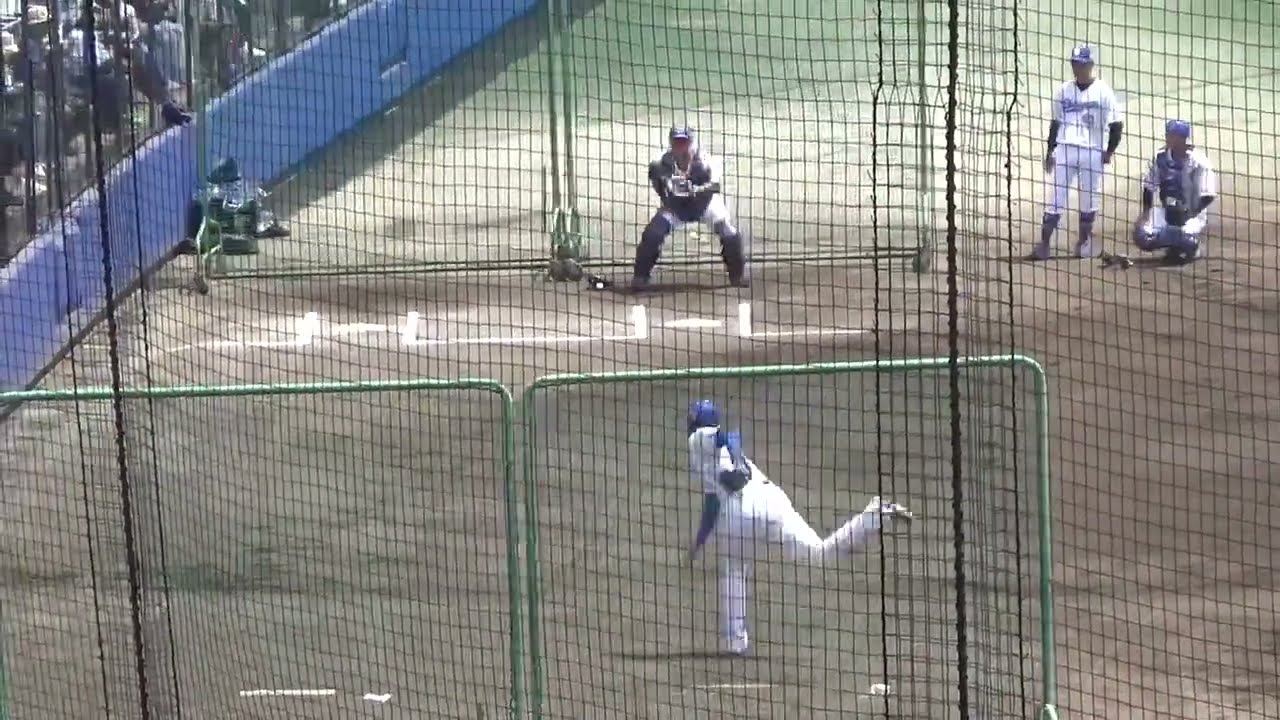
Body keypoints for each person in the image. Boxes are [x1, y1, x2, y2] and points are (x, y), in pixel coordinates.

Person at [686, 402, 914, 656]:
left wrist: (700, 541)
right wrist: (699, 540)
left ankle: (736, 642)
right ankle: (874, 516)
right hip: (771, 500)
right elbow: (712, 500)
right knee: (820, 551)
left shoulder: (699, 439)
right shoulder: (731, 452)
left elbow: (712, 446)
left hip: (740, 514)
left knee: (735, 569)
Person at [1031, 45, 1124, 260]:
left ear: (1091, 65)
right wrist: (1050, 151)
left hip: (1092, 152)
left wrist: (1109, 151)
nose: (1078, 68)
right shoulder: (1063, 90)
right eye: (1075, 63)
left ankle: (1083, 244)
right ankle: (1044, 245)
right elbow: (1055, 123)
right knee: (1056, 198)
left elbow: (1117, 125)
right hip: (1065, 149)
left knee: (1089, 199)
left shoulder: (1103, 91)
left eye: (1082, 64)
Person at [632, 126, 749, 290]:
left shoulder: (706, 161)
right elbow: (657, 182)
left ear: (693, 143)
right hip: (676, 208)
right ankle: (640, 277)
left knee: (728, 231)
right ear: (671, 144)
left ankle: (737, 276)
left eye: (685, 143)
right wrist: (669, 197)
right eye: (677, 143)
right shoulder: (661, 162)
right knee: (653, 233)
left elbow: (715, 186)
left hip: (706, 205)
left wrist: (697, 190)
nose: (682, 148)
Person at [1131, 119, 1218, 265]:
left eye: (1172, 135)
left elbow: (1208, 195)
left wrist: (1188, 213)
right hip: (1166, 212)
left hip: (1194, 215)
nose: (1168, 138)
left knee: (1185, 239)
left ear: (1182, 138)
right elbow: (1148, 186)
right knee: (1141, 235)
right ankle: (1173, 244)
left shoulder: (1200, 162)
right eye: (1168, 134)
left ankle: (1190, 246)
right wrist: (1145, 214)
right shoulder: (1160, 158)